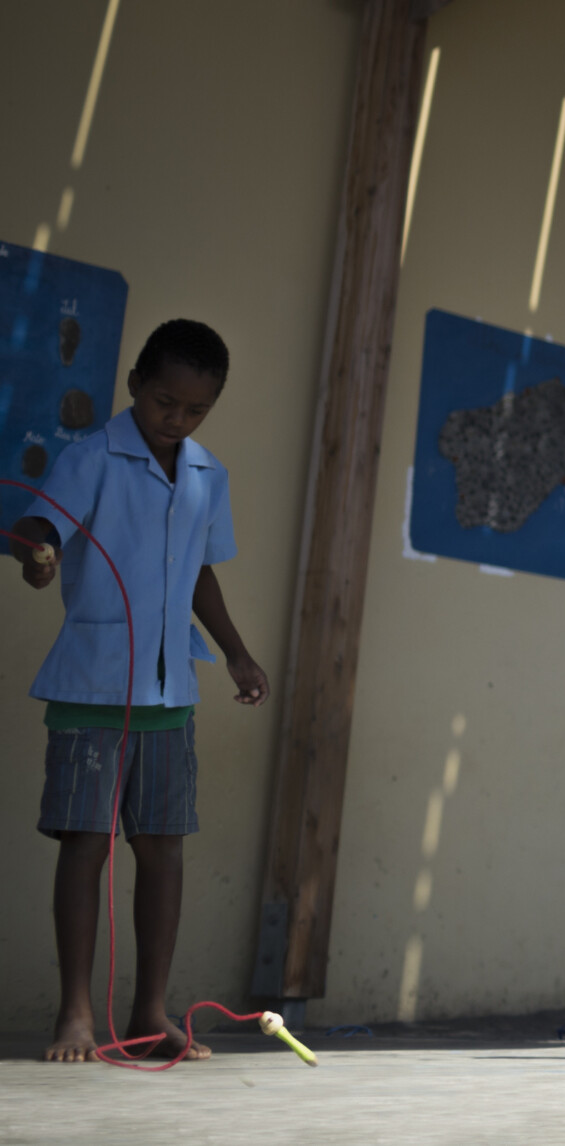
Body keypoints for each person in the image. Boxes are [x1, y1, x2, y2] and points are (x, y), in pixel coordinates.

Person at [13, 319, 269, 1063]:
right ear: (133, 385)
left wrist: (239, 654)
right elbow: (40, 523)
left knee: (163, 850)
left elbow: (200, 571)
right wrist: (37, 555)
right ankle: (76, 1015)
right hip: (92, 685)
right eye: (165, 402)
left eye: (195, 411)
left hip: (169, 696)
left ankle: (152, 1012)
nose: (176, 420)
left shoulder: (206, 474)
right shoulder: (91, 457)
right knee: (86, 847)